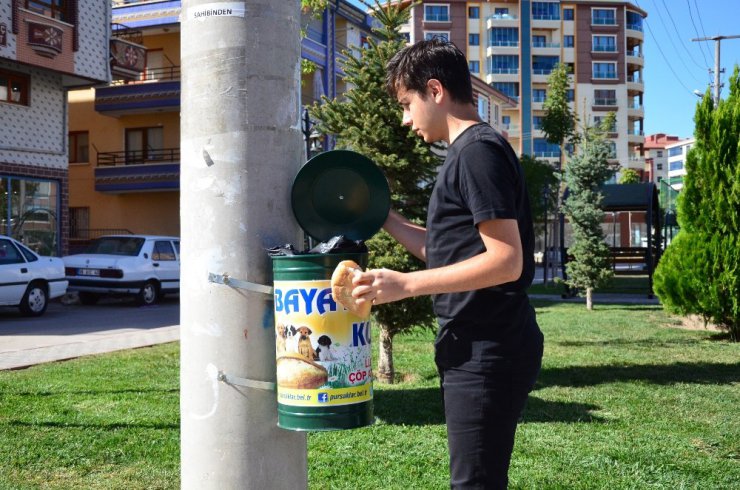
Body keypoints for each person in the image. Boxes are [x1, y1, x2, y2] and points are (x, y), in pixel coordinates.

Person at [352, 38, 544, 489]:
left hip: (488, 345)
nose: (405, 119)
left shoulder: (477, 152)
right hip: (476, 343)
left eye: (406, 103)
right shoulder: (467, 153)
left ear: (435, 91)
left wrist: (407, 285)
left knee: (474, 484)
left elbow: (507, 260)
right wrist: (384, 216)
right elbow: (448, 252)